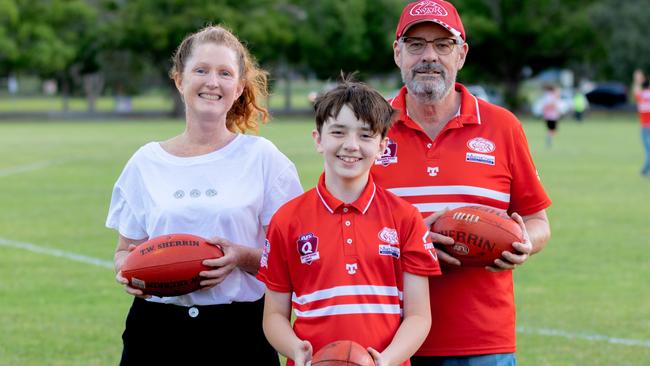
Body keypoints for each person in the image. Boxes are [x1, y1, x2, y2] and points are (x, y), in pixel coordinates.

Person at [105, 25, 303, 365]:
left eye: (225, 73)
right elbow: (125, 251)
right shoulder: (145, 162)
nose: (212, 82)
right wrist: (129, 272)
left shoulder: (263, 158)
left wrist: (240, 257)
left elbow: (295, 260)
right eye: (201, 70)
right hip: (155, 332)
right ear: (180, 80)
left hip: (240, 333)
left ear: (239, 87)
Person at [371, 1, 552, 365]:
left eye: (443, 45)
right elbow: (340, 227)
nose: (429, 56)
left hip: (483, 341)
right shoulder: (367, 127)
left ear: (462, 54)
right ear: (397, 52)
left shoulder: (502, 126)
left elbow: (538, 222)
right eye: (416, 44)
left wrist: (523, 242)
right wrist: (410, 244)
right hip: (387, 341)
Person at [257, 78, 441, 366]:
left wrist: (385, 361)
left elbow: (419, 316)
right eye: (338, 132)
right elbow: (274, 316)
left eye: (366, 136)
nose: (351, 145)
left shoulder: (405, 218)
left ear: (382, 146)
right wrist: (296, 349)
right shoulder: (287, 219)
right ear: (318, 139)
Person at [632, 69, 650, 177]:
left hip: (645, 127)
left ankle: (644, 171)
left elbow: (636, 91)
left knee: (648, 150)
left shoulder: (642, 95)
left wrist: (638, 80)